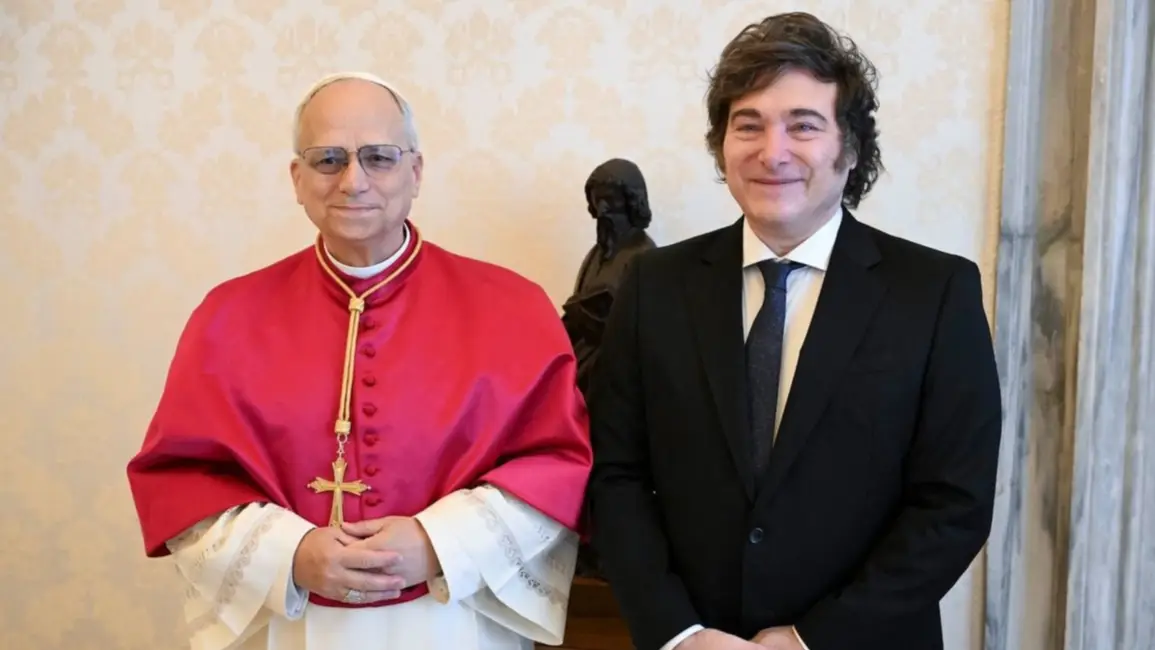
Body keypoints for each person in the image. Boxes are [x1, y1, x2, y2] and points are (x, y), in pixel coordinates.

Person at [126, 71, 592, 650]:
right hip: (289, 625)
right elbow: (182, 480)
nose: (353, 181)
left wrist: (437, 543)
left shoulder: (512, 307)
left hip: (453, 622)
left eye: (379, 157)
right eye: (328, 160)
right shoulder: (227, 316)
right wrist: (292, 553)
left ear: (415, 172)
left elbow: (557, 465)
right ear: (297, 179)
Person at [586, 12, 1002, 650]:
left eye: (803, 125)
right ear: (722, 145)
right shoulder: (653, 286)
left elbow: (955, 503)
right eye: (748, 125)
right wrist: (679, 632)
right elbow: (615, 475)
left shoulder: (936, 291)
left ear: (850, 148)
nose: (771, 151)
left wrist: (812, 639)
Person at [562, 158, 657, 399]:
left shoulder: (644, 257)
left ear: (631, 201)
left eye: (610, 200)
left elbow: (645, 334)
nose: (603, 209)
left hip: (615, 383)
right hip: (581, 374)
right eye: (598, 200)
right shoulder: (594, 255)